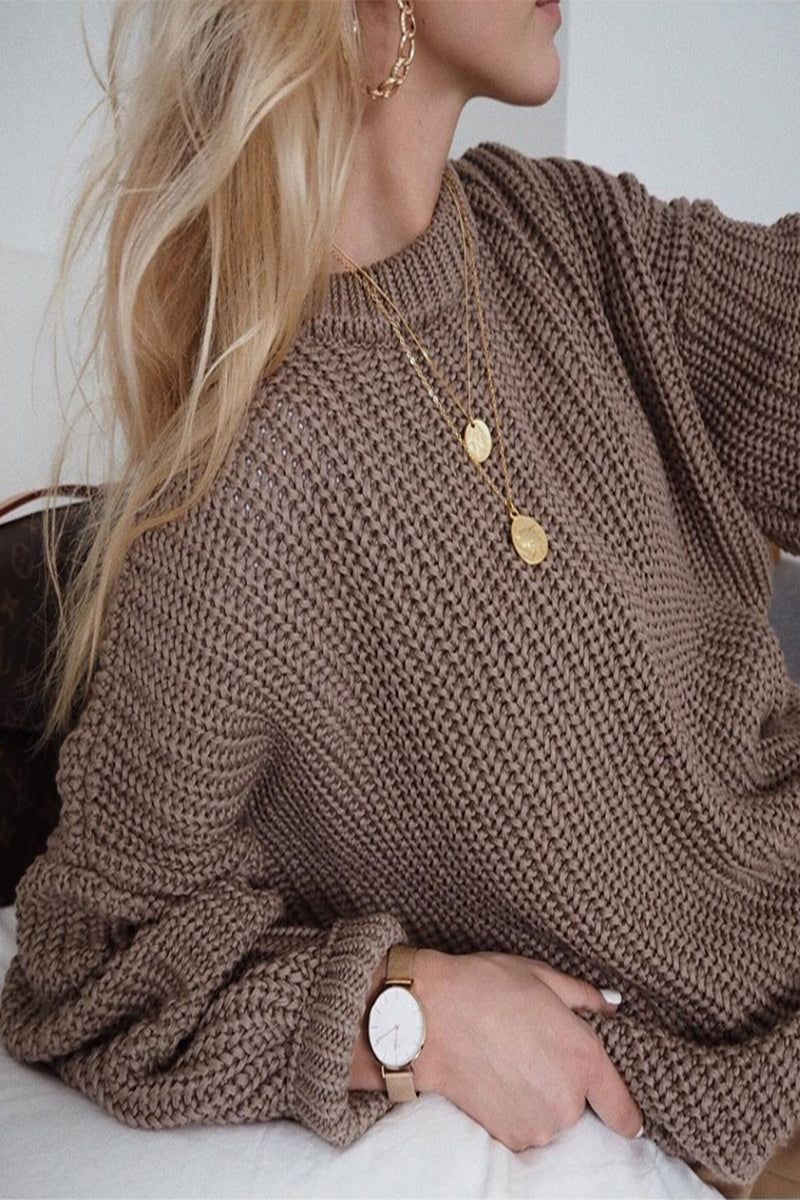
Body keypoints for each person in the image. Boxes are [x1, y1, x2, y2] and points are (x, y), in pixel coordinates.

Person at [1, 1, 798, 1195]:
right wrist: (410, 1010)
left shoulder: (552, 226)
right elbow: (84, 960)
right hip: (754, 1094)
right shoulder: (238, 496)